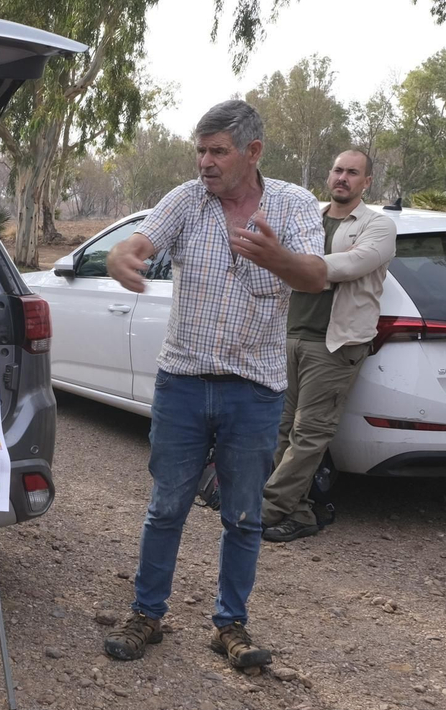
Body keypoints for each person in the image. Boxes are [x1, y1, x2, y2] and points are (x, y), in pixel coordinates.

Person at [102, 100, 326, 669]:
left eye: (218, 151)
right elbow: (137, 243)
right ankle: (146, 615)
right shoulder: (187, 200)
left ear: (252, 152)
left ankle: (230, 625)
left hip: (254, 390)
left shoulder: (294, 204)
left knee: (243, 516)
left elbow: (315, 277)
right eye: (200, 150)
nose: (205, 161)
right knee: (165, 507)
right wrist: (119, 257)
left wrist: (276, 257)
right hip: (182, 382)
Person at [262, 150, 397, 542]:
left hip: (335, 343)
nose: (343, 178)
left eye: (353, 172)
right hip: (289, 334)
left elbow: (351, 266)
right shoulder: (309, 218)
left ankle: (267, 507)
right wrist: (287, 261)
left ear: (366, 182)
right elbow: (276, 263)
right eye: (338, 170)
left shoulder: (378, 225)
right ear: (329, 174)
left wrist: (293, 263)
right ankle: (299, 511)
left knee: (309, 433)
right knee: (281, 429)